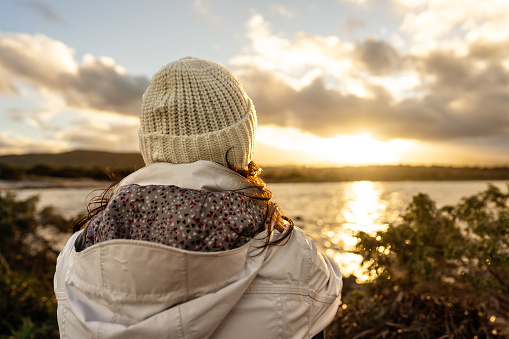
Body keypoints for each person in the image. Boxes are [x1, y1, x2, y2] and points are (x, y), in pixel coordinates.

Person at [54, 56, 342, 339]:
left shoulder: (73, 258)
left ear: (150, 144)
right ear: (243, 142)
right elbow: (327, 292)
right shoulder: (295, 255)